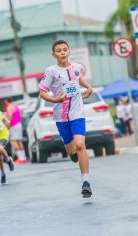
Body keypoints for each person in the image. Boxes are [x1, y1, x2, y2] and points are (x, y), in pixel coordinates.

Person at [38, 40, 93, 198]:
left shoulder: (76, 67)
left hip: (77, 114)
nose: (62, 53)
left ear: (69, 52)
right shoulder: (51, 72)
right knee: (71, 148)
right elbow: (42, 93)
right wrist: (56, 100)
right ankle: (71, 153)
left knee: (80, 144)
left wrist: (88, 88)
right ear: (53, 54)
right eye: (59, 51)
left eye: (65, 50)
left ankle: (86, 182)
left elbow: (78, 79)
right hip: (61, 117)